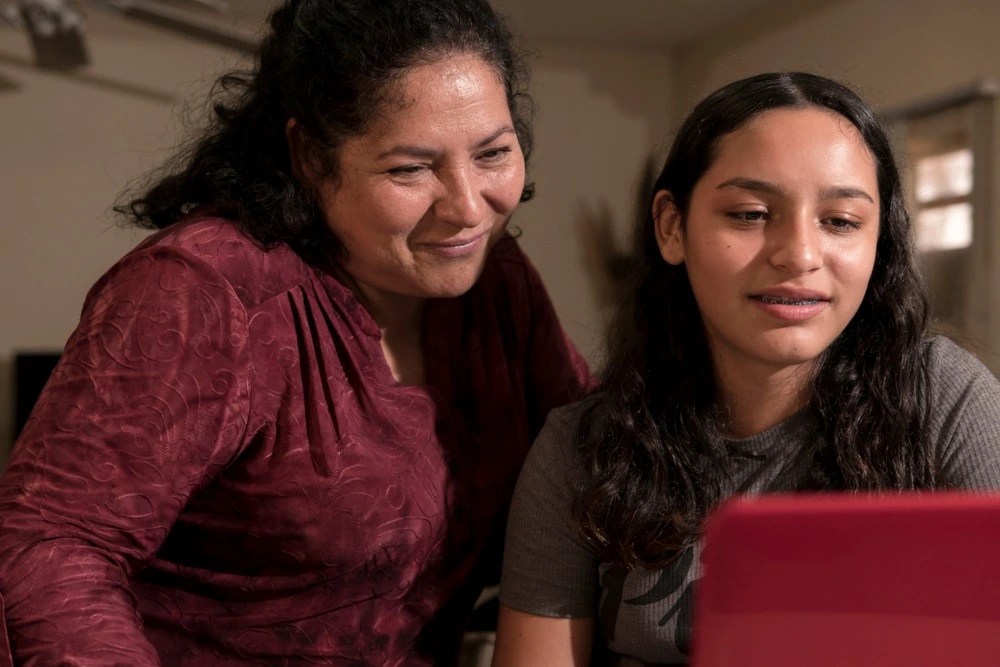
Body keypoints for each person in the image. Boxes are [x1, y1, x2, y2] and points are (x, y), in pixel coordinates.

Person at [0, 1, 592, 664]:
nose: (466, 207)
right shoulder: (207, 288)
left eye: (493, 153)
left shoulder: (497, 283)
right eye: (410, 169)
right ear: (310, 156)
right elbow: (51, 546)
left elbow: (596, 457)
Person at [493, 71, 1000, 666]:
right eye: (751, 213)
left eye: (840, 221)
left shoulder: (944, 401)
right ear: (672, 226)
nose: (800, 255)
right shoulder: (583, 448)